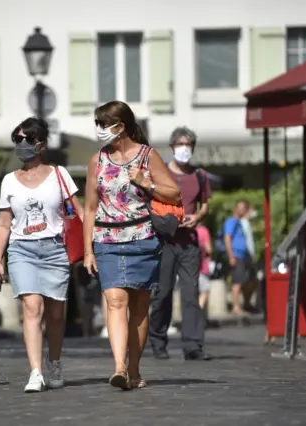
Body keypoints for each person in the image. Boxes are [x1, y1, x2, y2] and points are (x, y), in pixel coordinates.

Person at [83, 101, 181, 390]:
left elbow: (174, 194)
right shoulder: (97, 160)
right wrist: (88, 250)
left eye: (104, 124)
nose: (100, 130)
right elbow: (90, 207)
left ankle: (135, 369)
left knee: (139, 309)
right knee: (115, 302)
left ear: (121, 126)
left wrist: (145, 183)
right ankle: (119, 368)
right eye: (98, 124)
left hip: (143, 240)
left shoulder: (148, 156)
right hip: (107, 240)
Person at [0, 117, 83, 393]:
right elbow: (3, 223)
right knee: (32, 308)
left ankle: (54, 361)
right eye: (17, 139)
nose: (22, 144)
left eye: (27, 139)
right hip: (22, 250)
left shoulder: (59, 174)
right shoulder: (9, 181)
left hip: (54, 248)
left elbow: (78, 211)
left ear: (41, 144)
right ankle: (35, 372)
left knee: (55, 314)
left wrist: (89, 248)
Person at [149, 126, 212, 361]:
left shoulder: (199, 176)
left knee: (191, 294)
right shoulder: (161, 173)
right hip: (164, 242)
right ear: (172, 147)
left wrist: (197, 217)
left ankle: (193, 345)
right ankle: (157, 340)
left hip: (189, 244)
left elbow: (205, 204)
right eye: (180, 145)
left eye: (188, 146)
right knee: (163, 293)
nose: (184, 149)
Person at [223, 200, 257, 316]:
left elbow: (252, 213)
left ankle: (246, 304)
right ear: (235, 209)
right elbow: (227, 238)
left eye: (244, 208)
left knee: (250, 281)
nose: (242, 210)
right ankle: (236, 307)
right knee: (237, 281)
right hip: (236, 255)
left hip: (245, 255)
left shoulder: (241, 222)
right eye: (240, 208)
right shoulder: (231, 221)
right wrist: (231, 256)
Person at [196, 223, 213, 311]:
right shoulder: (203, 230)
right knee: (205, 291)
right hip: (202, 268)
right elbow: (209, 249)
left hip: (187, 268)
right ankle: (198, 311)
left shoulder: (186, 230)